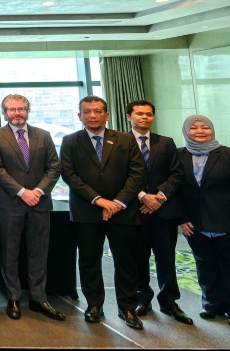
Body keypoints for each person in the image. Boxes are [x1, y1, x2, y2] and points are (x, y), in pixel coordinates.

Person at [60, 96, 145, 329]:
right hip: (86, 212)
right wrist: (99, 201)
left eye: (97, 111)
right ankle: (94, 305)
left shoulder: (126, 140)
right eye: (86, 112)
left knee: (126, 262)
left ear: (107, 115)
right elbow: (70, 176)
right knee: (89, 261)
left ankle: (127, 308)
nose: (92, 116)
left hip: (123, 212)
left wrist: (117, 202)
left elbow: (137, 174)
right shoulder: (70, 141)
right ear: (79, 116)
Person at [0, 94, 65, 321]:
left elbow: (54, 168)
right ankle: (14, 298)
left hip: (39, 204)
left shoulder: (44, 135)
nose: (17, 113)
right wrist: (22, 192)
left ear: (28, 111)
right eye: (12, 109)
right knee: (10, 253)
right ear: (5, 113)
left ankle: (39, 298)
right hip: (10, 204)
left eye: (21, 109)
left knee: (39, 253)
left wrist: (37, 192)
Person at [177, 115, 230, 327]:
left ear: (212, 130)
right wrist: (181, 220)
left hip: (228, 224)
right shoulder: (178, 155)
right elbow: (174, 191)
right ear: (186, 131)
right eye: (194, 128)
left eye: (205, 127)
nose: (200, 131)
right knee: (206, 266)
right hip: (195, 225)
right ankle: (213, 304)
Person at [126, 100, 191, 325]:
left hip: (164, 211)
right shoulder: (119, 142)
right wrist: (143, 196)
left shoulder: (166, 142)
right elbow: (118, 176)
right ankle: (142, 298)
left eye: (149, 114)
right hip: (135, 211)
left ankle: (169, 301)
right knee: (139, 258)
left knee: (166, 258)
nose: (144, 117)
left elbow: (177, 174)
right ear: (129, 117)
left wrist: (159, 197)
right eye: (139, 114)